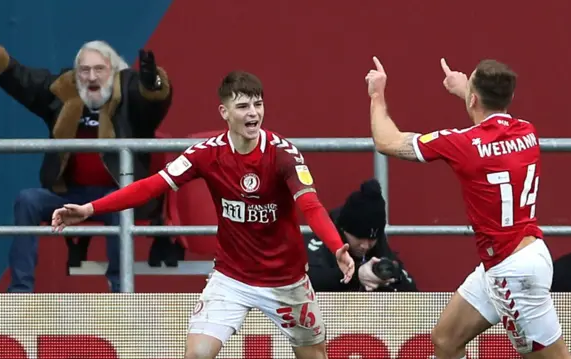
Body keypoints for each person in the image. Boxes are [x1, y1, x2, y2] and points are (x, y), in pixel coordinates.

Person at [50, 71, 354, 359]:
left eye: (258, 104)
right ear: (224, 112)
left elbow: (311, 205)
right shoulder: (206, 153)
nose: (253, 113)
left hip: (286, 281)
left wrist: (336, 245)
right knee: (196, 354)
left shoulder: (284, 154)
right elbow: (151, 186)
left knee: (314, 355)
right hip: (232, 278)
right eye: (243, 106)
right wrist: (91, 209)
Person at [364, 56, 571, 358]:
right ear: (509, 97)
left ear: (474, 99)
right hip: (513, 259)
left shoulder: (460, 143)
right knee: (445, 340)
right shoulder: (527, 131)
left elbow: (387, 141)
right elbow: (492, 119)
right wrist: (467, 92)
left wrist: (376, 93)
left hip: (511, 272)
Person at [0, 18, 173, 293]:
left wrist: (152, 81)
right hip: (70, 195)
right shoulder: (61, 93)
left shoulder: (130, 96)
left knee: (119, 206)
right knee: (27, 200)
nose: (91, 76)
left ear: (112, 71)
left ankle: (121, 291)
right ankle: (20, 290)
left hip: (116, 195)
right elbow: (23, 80)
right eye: (84, 70)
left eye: (99, 69)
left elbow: (153, 103)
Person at [305, 178, 417, 292]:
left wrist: (393, 277)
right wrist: (357, 275)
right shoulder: (323, 238)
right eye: (359, 238)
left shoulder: (379, 244)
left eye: (371, 239)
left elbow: (413, 294)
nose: (365, 245)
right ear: (344, 230)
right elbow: (309, 278)